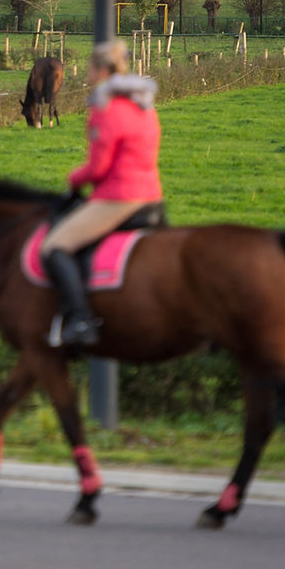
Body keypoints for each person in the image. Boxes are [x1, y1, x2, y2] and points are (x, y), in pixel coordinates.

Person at [42, 38, 165, 348]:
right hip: (151, 193)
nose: (86, 73)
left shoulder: (105, 107)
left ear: (99, 69)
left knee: (54, 246)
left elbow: (97, 168)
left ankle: (82, 320)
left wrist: (73, 178)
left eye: (89, 67)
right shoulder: (142, 104)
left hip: (120, 197)